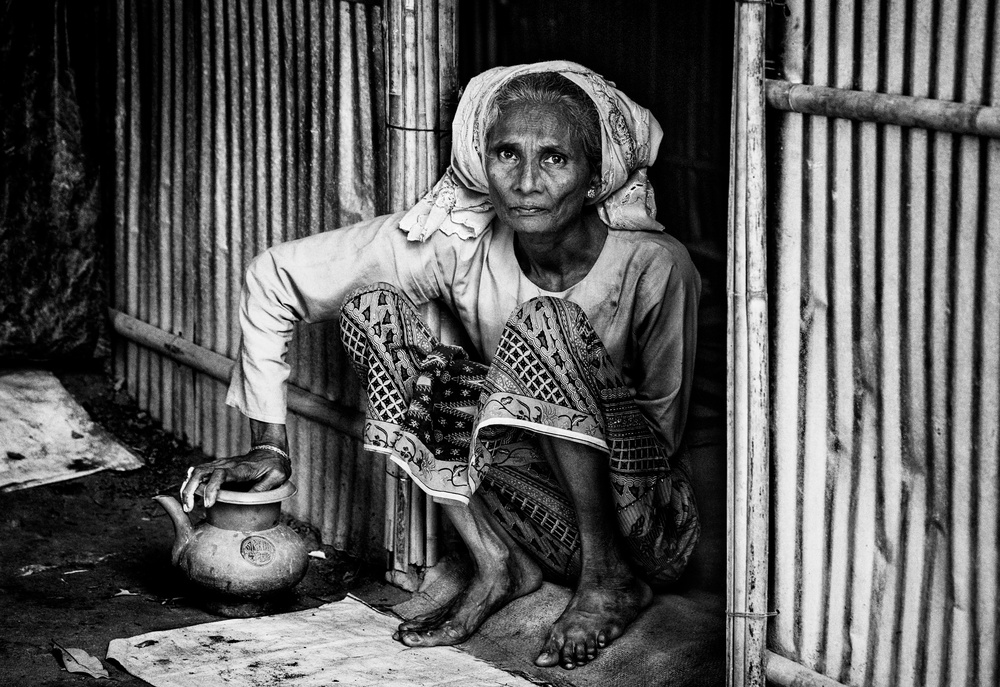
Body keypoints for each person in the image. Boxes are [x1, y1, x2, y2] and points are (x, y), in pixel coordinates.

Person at [180, 60, 701, 671]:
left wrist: (548, 393)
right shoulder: (461, 240)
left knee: (546, 324)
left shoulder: (655, 267)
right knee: (374, 315)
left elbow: (659, 433)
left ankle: (608, 582)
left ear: (594, 179)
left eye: (555, 159)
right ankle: (496, 565)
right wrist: (270, 443)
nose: (526, 181)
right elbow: (275, 277)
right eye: (507, 153)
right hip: (533, 517)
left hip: (642, 525)